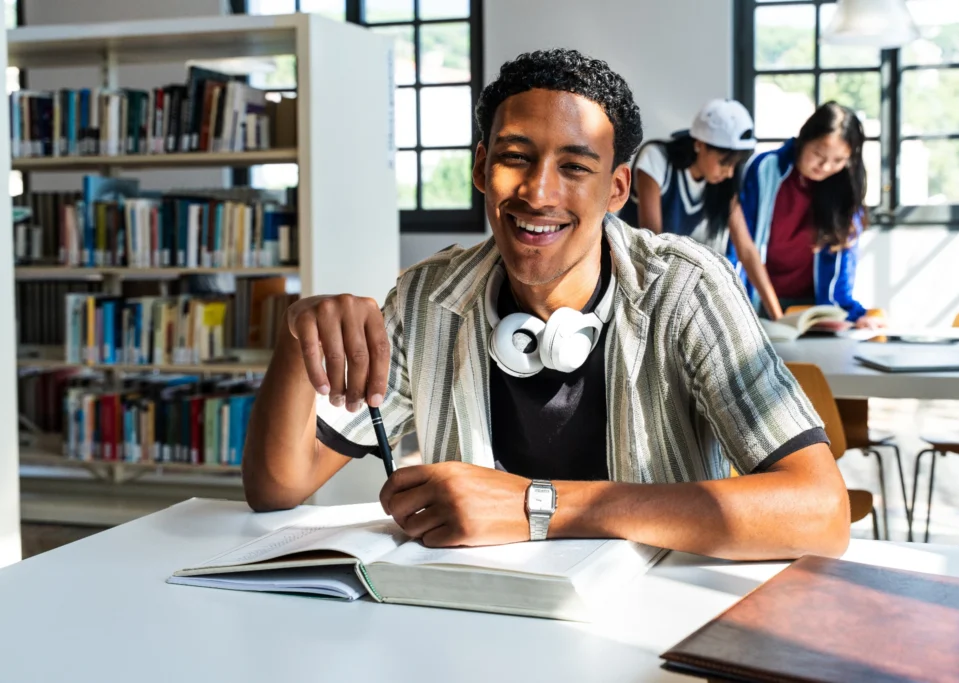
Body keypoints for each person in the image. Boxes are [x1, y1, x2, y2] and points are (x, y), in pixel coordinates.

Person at [242, 48, 850, 562]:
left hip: (651, 621)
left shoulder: (688, 289)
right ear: (481, 168)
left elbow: (821, 513)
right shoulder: (425, 299)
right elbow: (278, 487)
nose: (538, 192)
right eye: (515, 157)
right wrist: (299, 336)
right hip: (475, 623)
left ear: (617, 188)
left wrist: (535, 505)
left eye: (574, 166)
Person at [618, 100, 781, 313]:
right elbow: (654, 241)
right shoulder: (657, 158)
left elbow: (747, 250)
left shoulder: (720, 184)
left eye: (735, 165)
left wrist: (778, 316)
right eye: (724, 162)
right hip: (632, 276)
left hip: (670, 281)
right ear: (699, 145)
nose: (730, 173)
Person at [732, 101, 881, 326]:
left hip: (814, 309)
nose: (826, 166)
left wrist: (851, 315)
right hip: (758, 302)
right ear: (803, 140)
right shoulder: (765, 169)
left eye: (838, 160)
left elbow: (843, 262)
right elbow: (742, 247)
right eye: (818, 154)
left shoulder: (844, 188)